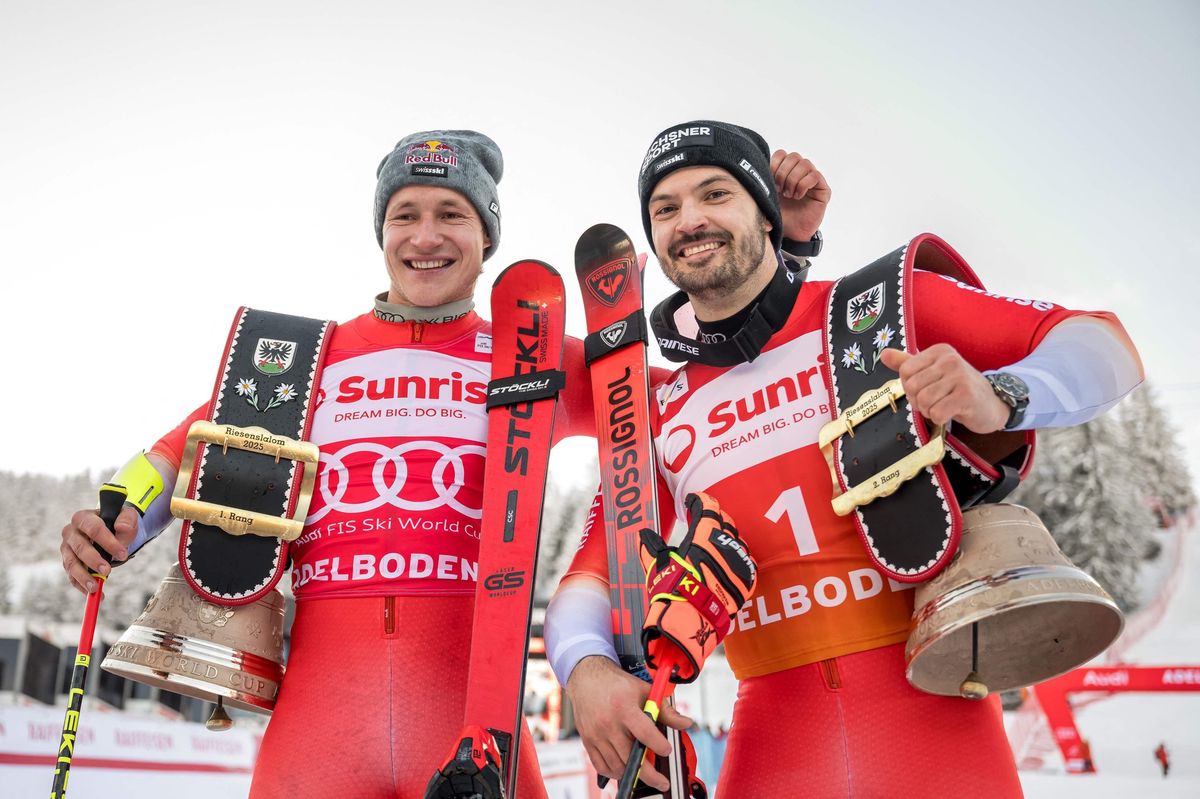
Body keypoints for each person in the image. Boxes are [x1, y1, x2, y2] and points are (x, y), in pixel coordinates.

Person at [546, 120, 1144, 798]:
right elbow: (587, 581)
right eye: (666, 207)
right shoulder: (658, 407)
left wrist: (1001, 394)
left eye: (715, 194)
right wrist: (587, 672)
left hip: (938, 734)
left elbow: (1103, 344)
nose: (690, 220)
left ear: (767, 216)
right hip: (772, 745)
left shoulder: (871, 313)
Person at [59, 129, 600, 798]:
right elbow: (176, 453)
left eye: (451, 214)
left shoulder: (531, 353)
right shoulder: (310, 355)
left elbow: (660, 409)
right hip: (322, 721)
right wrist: (115, 512)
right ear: (381, 232)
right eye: (405, 214)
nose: (425, 235)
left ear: (488, 235)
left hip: (473, 723)